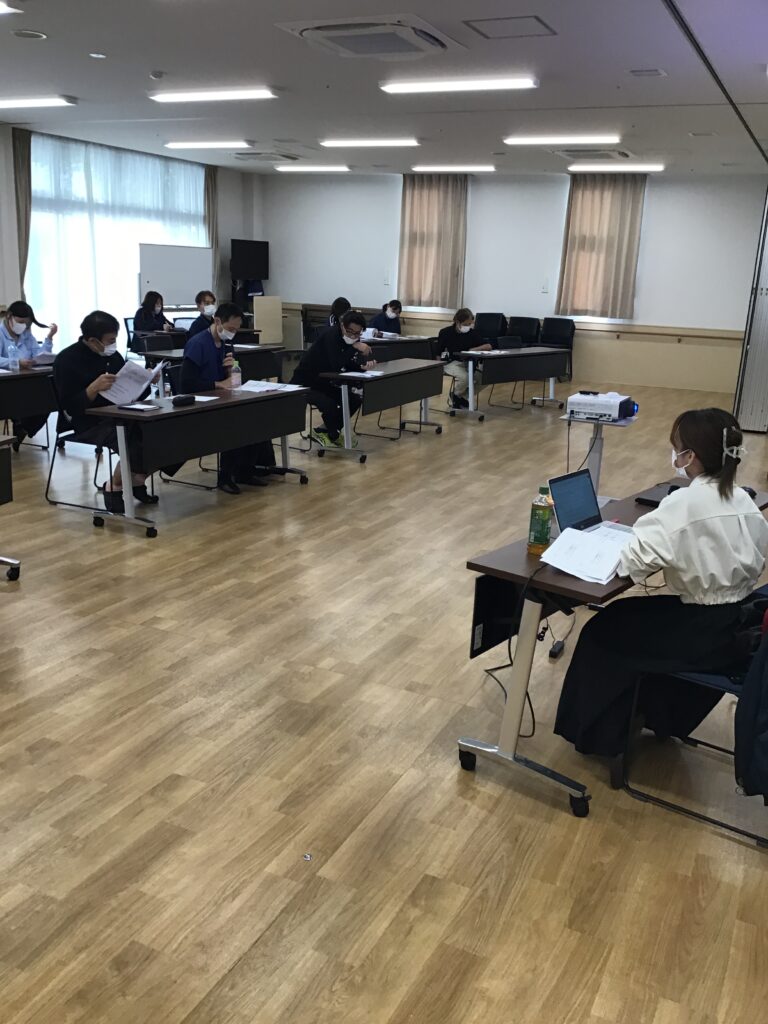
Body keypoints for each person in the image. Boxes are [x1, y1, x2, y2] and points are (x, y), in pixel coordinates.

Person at [554, 407, 768, 759]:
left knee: (602, 630)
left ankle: (598, 738)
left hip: (701, 633)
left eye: (678, 448)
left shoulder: (684, 503)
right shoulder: (744, 498)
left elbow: (632, 564)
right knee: (625, 615)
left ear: (691, 456)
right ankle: (659, 715)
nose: (675, 455)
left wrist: (624, 539)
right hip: (738, 623)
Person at [53, 310, 162, 513]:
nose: (114, 345)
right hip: (88, 421)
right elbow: (69, 407)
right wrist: (92, 389)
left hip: (121, 412)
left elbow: (133, 391)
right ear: (92, 340)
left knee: (162, 429)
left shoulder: (113, 356)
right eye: (110, 340)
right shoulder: (67, 360)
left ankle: (136, 481)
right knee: (133, 437)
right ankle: (115, 486)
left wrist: (147, 380)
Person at [180, 301, 275, 494]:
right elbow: (187, 383)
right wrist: (218, 384)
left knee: (259, 417)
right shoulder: (198, 344)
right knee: (234, 422)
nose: (233, 333)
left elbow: (231, 378)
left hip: (223, 399)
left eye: (236, 330)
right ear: (217, 321)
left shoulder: (225, 343)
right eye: (231, 329)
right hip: (201, 402)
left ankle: (245, 470)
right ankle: (225, 476)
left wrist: (230, 371)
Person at [291, 310, 375, 448]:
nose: (353, 336)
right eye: (350, 332)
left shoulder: (351, 339)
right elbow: (336, 364)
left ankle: (326, 432)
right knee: (328, 404)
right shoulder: (331, 336)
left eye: (357, 333)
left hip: (323, 382)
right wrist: (354, 347)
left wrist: (362, 368)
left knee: (354, 400)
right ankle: (332, 433)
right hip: (305, 383)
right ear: (342, 326)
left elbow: (346, 363)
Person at [0, 300, 59, 449]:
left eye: (26, 324)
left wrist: (49, 338)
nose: (23, 327)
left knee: (49, 397)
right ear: (9, 316)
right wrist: (16, 362)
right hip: (7, 383)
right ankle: (20, 424)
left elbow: (39, 354)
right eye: (20, 322)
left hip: (27, 378)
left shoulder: (26, 334)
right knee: (24, 398)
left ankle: (23, 428)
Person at [438, 308, 493, 409]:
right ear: (457, 322)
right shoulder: (445, 332)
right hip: (451, 363)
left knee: (485, 379)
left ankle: (459, 397)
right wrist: (437, 367)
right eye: (466, 324)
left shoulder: (472, 333)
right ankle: (457, 396)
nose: (468, 327)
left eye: (470, 324)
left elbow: (488, 346)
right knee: (465, 378)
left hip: (468, 364)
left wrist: (474, 349)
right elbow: (438, 351)